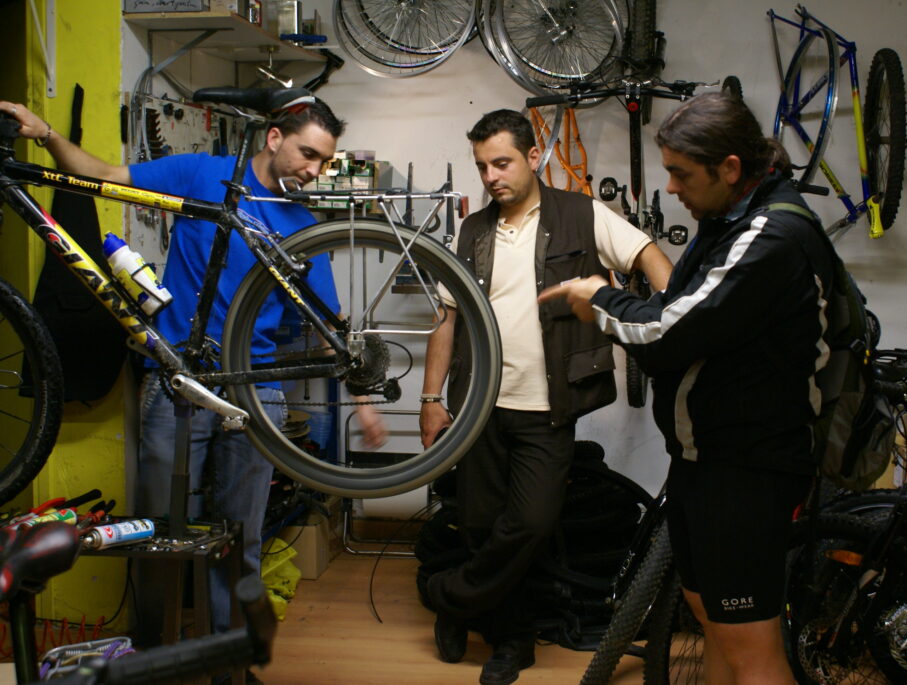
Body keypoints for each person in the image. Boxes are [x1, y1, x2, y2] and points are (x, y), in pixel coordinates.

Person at [1, 97, 387, 650]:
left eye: (324, 161)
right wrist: (45, 135)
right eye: (308, 154)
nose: (314, 170)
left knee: (241, 539)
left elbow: (329, 324)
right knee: (154, 533)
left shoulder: (303, 226)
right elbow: (105, 174)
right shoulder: (203, 174)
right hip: (177, 381)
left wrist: (364, 400)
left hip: (255, 391)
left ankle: (232, 662)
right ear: (274, 138)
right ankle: (152, 654)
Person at [539, 92, 835, 685]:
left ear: (730, 168)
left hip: (748, 469)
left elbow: (667, 334)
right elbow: (677, 306)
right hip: (705, 459)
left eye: (681, 174)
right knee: (713, 621)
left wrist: (599, 299)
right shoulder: (727, 220)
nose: (671, 188)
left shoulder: (771, 236)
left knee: (752, 651)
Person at [419, 108, 672, 685]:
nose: (491, 176)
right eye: (482, 166)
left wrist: (675, 311)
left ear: (534, 157)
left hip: (546, 409)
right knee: (479, 525)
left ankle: (450, 598)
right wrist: (431, 398)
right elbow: (446, 318)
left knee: (530, 523)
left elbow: (646, 255)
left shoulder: (581, 214)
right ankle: (511, 641)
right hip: (478, 406)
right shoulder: (472, 230)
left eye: (502, 163)